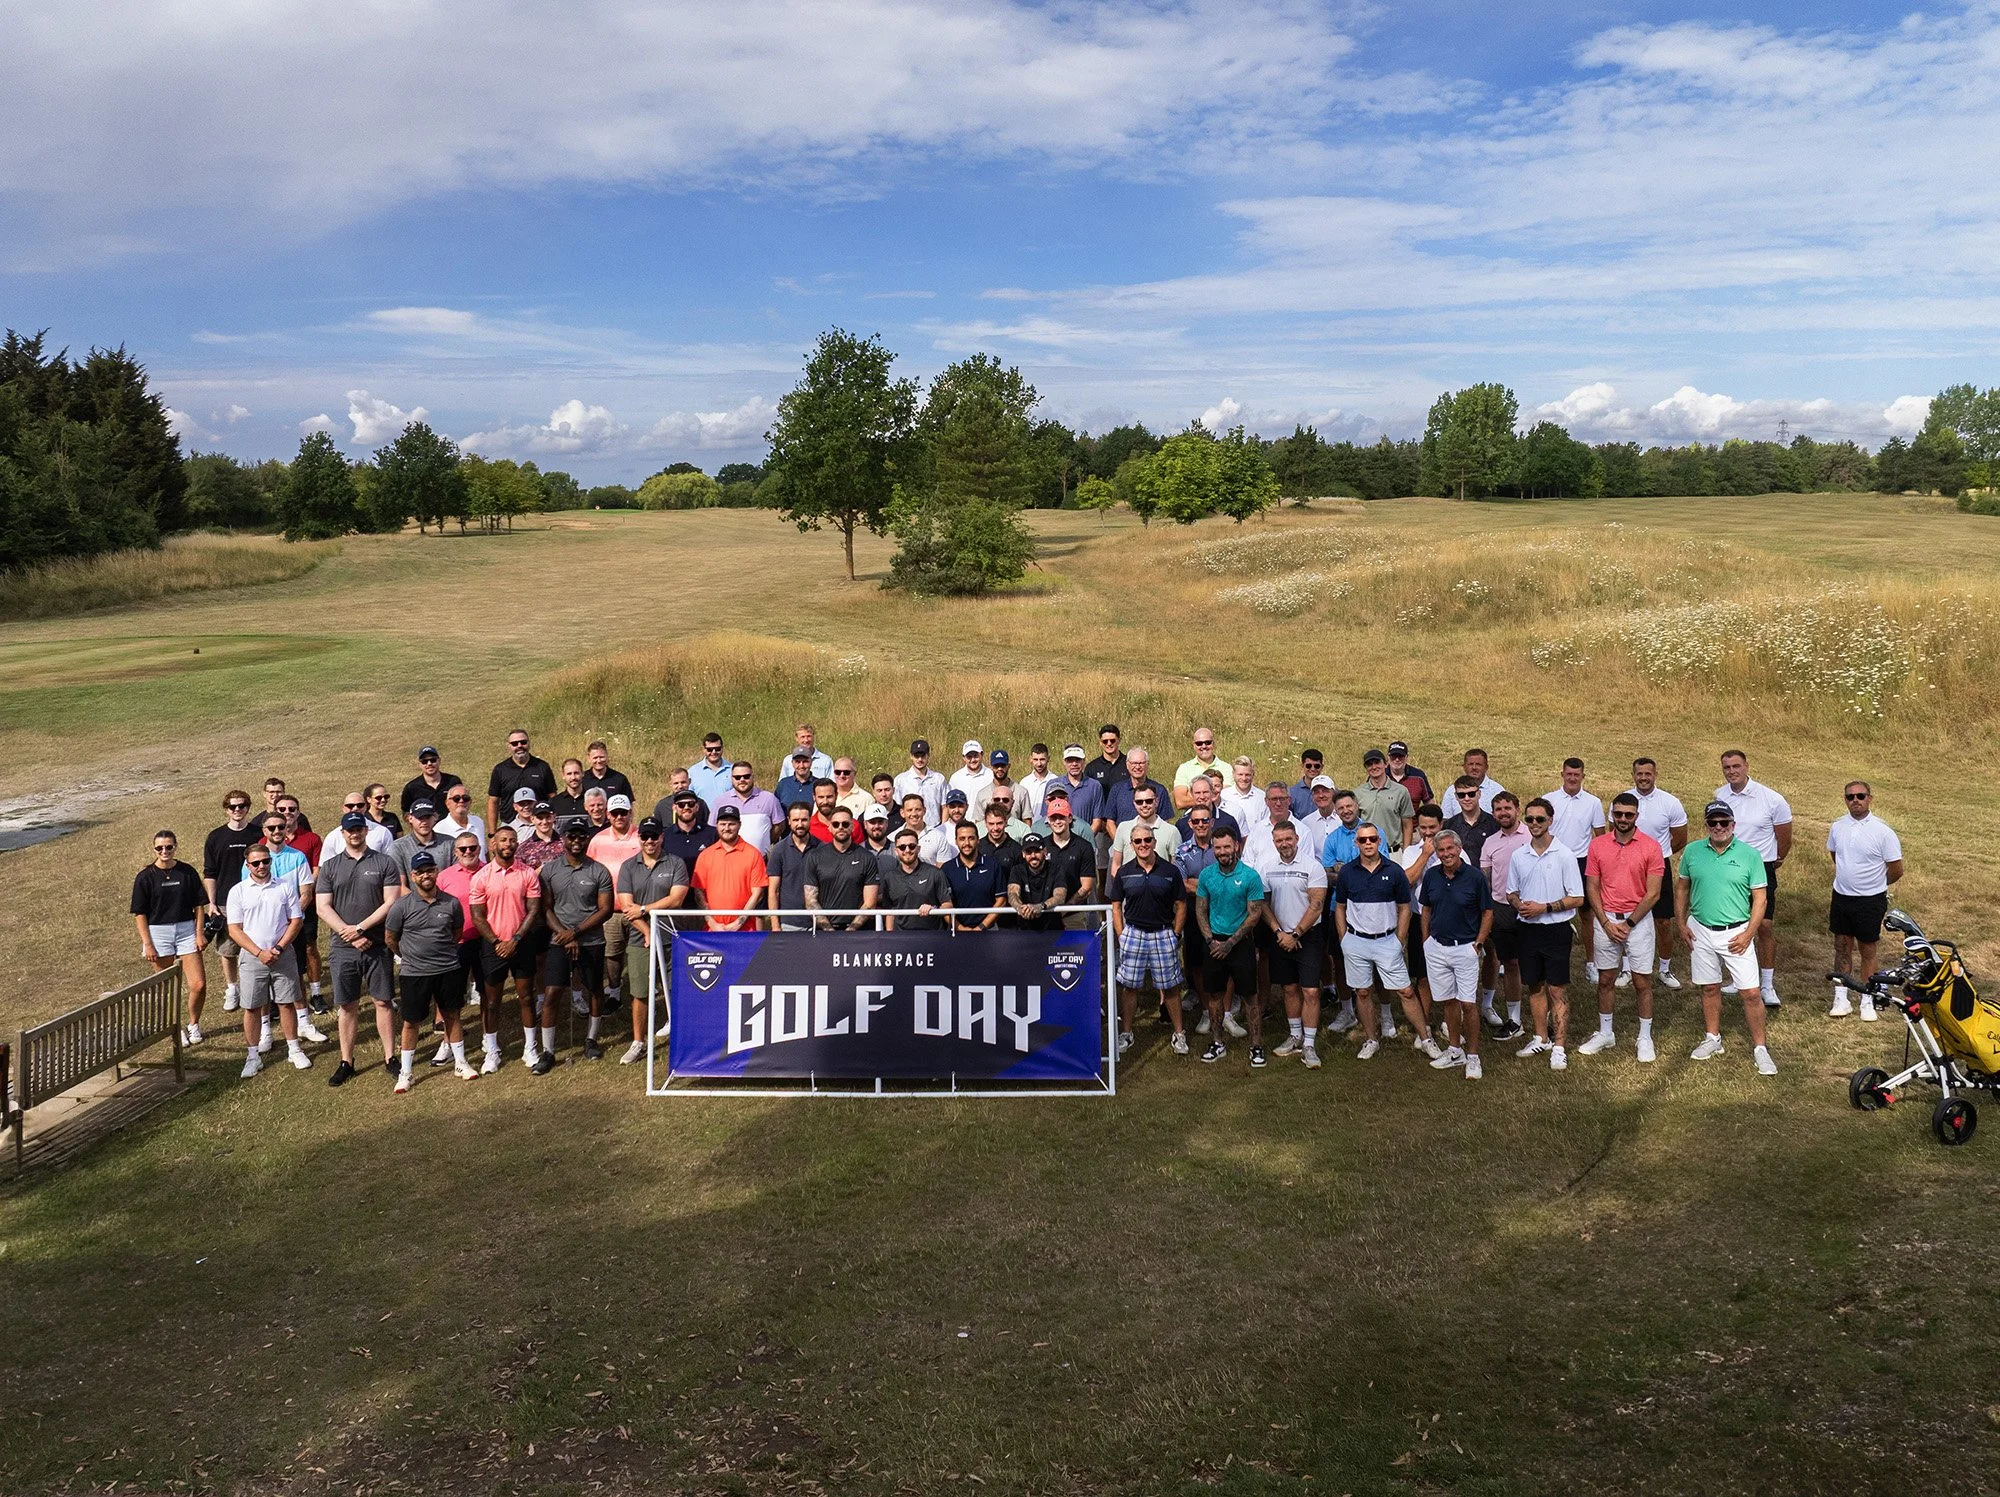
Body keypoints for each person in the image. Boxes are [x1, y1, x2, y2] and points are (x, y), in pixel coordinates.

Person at [1677, 800, 1777, 1074]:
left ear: (1733, 825)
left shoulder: (1750, 855)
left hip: (1736, 932)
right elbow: (1682, 888)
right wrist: (1681, 923)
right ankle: (1712, 1038)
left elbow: (1760, 899)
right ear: (1706, 825)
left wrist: (1749, 933)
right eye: (1713, 823)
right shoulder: (1692, 851)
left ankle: (1760, 1048)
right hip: (1701, 930)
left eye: (1724, 822)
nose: (1719, 827)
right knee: (1709, 987)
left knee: (1751, 993)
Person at [315, 811, 403, 1087]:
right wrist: (350, 935)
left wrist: (361, 928)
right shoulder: (330, 867)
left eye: (359, 829)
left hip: (377, 945)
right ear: (342, 834)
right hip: (343, 948)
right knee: (348, 1004)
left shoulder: (384, 862)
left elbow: (391, 901)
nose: (355, 833)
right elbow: (322, 906)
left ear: (366, 831)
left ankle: (390, 1057)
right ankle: (346, 1061)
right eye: (350, 830)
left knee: (382, 1001)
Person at [1579, 793, 1666, 1063]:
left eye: (1629, 814)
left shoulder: (1651, 847)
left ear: (1636, 816)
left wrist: (1628, 924)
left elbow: (1653, 894)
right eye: (1618, 814)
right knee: (1605, 979)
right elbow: (1592, 887)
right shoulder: (1598, 845)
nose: (1623, 819)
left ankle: (1644, 1036)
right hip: (1605, 919)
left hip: (1637, 921)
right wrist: (1605, 921)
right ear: (1612, 815)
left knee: (1642, 981)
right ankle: (1606, 1033)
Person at [382, 852, 479, 1090]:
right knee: (411, 1022)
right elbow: (391, 938)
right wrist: (410, 956)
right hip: (414, 972)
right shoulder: (401, 906)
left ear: (437, 872)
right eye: (421, 872)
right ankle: (406, 1072)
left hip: (447, 968)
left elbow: (456, 933)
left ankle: (460, 1063)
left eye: (430, 870)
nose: (426, 875)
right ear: (413, 876)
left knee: (452, 1015)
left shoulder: (451, 902)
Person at [1332, 823, 1424, 1061]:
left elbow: (1405, 908)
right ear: (1356, 843)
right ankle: (1371, 1039)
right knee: (1362, 992)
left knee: (1405, 990)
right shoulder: (1347, 872)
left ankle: (1426, 1038)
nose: (1368, 843)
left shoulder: (1393, 871)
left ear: (1379, 841)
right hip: (1356, 941)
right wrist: (1344, 939)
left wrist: (1399, 939)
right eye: (1363, 840)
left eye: (1372, 838)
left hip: (1386, 940)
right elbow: (1340, 907)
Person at [1505, 797, 1585, 1071]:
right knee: (1535, 986)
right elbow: (1510, 891)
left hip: (1556, 929)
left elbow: (1577, 898)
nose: (1535, 824)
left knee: (1557, 989)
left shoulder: (1564, 854)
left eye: (1540, 819)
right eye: (1530, 819)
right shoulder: (1519, 855)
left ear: (1550, 821)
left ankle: (1559, 1046)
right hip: (1527, 929)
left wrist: (1545, 908)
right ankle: (1541, 1037)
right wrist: (1519, 905)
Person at [1714, 749, 1792, 1007]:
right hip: (1728, 870)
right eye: (1727, 767)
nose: (1731, 771)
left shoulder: (1771, 799)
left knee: (1764, 927)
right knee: (1734, 924)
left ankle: (1767, 984)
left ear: (1747, 766)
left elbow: (1784, 838)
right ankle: (1739, 978)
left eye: (1736, 766)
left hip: (1760, 870)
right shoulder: (1720, 796)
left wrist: (1775, 860)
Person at [225, 839, 307, 1078]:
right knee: (251, 1007)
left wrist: (279, 948)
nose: (262, 866)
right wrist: (259, 952)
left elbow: (296, 920)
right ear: (248, 865)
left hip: (282, 954)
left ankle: (294, 1048)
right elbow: (235, 929)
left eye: (266, 861)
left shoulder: (284, 887)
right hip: (252, 958)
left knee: (286, 1002)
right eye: (256, 863)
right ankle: (253, 1056)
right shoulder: (238, 891)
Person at [469, 825, 545, 1072]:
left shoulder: (527, 873)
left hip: (521, 943)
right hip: (493, 946)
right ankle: (492, 1051)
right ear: (493, 844)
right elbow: (478, 916)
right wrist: (496, 942)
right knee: (491, 1001)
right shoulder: (481, 876)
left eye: (512, 840)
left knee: (527, 997)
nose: (508, 844)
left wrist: (515, 939)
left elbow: (533, 909)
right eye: (503, 840)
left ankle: (530, 1048)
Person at [615, 818, 691, 1062]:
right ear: (639, 839)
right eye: (645, 836)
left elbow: (676, 899)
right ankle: (639, 1043)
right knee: (640, 993)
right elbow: (627, 907)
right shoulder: (628, 867)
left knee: (676, 988)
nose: (649, 841)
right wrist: (648, 931)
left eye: (654, 836)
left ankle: (681, 1037)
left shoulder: (675, 863)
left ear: (662, 837)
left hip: (672, 936)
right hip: (640, 939)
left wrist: (645, 909)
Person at [1419, 830, 1493, 1079]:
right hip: (1438, 947)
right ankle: (1454, 1050)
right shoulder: (1431, 876)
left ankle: (1473, 1056)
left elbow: (1487, 913)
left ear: (1459, 849)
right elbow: (1426, 909)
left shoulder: (1475, 878)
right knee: (1448, 1001)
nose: (1446, 854)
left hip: (1466, 948)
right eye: (1441, 850)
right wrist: (1426, 941)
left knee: (1468, 1004)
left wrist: (1479, 943)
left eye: (1450, 849)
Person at [541, 820, 615, 1067]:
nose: (576, 841)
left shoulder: (599, 870)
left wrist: (575, 932)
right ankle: (548, 1051)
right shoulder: (550, 870)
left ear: (587, 839)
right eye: (571, 836)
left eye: (581, 836)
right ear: (563, 838)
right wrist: (564, 933)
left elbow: (605, 910)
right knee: (552, 992)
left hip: (591, 940)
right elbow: (546, 908)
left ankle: (592, 1039)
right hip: (558, 939)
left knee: (594, 989)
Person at [1827, 781, 1903, 1018]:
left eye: (1860, 796)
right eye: (1850, 797)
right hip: (1842, 896)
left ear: (1870, 798)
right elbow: (1835, 855)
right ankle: (1841, 998)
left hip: (1870, 900)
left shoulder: (1883, 831)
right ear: (1845, 800)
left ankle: (1867, 999)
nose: (1855, 800)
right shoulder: (1837, 827)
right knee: (1841, 945)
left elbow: (1896, 869)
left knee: (1867, 948)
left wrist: (1874, 885)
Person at [1110, 826, 1187, 1054]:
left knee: (1170, 987)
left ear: (1154, 842)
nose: (1142, 844)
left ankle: (1179, 1034)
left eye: (1147, 840)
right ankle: (1126, 1033)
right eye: (1137, 841)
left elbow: (1181, 904)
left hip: (1163, 933)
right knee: (1129, 986)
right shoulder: (1124, 872)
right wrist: (1121, 934)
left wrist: (1176, 933)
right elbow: (1116, 906)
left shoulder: (1170, 871)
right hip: (1133, 933)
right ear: (1131, 844)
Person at [1195, 828, 1267, 1065]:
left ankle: (1256, 1046)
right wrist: (1210, 941)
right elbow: (1201, 909)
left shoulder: (1250, 876)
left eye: (1227, 847)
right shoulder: (1207, 875)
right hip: (1213, 942)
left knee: (1249, 997)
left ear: (1236, 846)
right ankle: (1217, 1042)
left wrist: (1231, 943)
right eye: (1218, 847)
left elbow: (1254, 914)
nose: (1223, 852)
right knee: (1213, 995)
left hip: (1241, 943)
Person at [1259, 823, 1328, 1069]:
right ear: (1273, 841)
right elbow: (1264, 904)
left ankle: (1309, 1044)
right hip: (1280, 936)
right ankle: (1295, 1035)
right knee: (1289, 988)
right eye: (1279, 840)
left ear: (1297, 838)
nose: (1284, 844)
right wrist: (1279, 931)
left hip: (1307, 936)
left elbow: (1316, 905)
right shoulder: (1267, 868)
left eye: (1288, 839)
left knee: (1310, 990)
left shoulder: (1313, 866)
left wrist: (1296, 934)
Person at [259, 811, 329, 1052]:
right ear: (264, 831)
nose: (277, 831)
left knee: (295, 974)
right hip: (263, 930)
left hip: (292, 927)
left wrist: (290, 923)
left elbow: (306, 892)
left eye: (280, 827)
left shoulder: (297, 857)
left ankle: (304, 1023)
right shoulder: (256, 857)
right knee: (263, 981)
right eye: (271, 828)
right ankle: (265, 1031)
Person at [133, 830, 211, 1046]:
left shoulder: (186, 872)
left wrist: (199, 933)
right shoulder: (145, 877)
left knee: (198, 984)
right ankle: (175, 1029)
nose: (164, 851)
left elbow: (199, 906)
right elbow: (140, 914)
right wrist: (148, 944)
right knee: (167, 986)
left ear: (176, 846)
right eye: (160, 848)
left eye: (169, 847)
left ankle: (193, 1024)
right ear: (154, 849)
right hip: (158, 932)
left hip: (187, 929)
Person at [1628, 757, 1689, 991]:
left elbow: (1681, 837)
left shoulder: (1669, 802)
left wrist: (1657, 856)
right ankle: (1627, 966)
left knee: (1662, 921)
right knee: (1629, 917)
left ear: (1655, 774)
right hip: (1629, 867)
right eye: (1639, 774)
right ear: (1634, 775)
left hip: (1658, 867)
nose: (1643, 778)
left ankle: (1664, 969)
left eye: (1648, 774)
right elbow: (1616, 832)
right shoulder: (1625, 800)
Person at [1477, 792, 1531, 1039]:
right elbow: (1486, 880)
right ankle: (1514, 1019)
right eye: (1498, 809)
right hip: (1502, 908)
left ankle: (1547, 1022)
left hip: (1533, 908)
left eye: (1507, 808)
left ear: (1517, 809)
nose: (1503, 813)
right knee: (1510, 963)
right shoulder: (1490, 842)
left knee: (1536, 966)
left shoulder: (1532, 836)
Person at [203, 789, 260, 1015]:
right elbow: (210, 872)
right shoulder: (216, 837)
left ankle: (254, 987)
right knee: (227, 949)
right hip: (227, 901)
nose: (237, 810)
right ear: (226, 809)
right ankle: (232, 988)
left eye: (242, 805)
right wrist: (212, 902)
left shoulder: (257, 834)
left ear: (248, 807)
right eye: (233, 806)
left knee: (255, 945)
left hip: (255, 898)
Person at [588, 796, 643, 1021]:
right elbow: (589, 870)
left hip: (638, 907)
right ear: (608, 815)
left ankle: (642, 994)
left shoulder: (643, 835)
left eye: (624, 812)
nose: (619, 817)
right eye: (615, 813)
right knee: (612, 954)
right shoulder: (598, 840)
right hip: (610, 910)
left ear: (631, 812)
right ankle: (615, 993)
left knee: (640, 954)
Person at [434, 832, 484, 1064]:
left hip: (486, 942)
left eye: (472, 848)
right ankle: (448, 1043)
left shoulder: (489, 870)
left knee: (487, 994)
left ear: (479, 848)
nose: (468, 853)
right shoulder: (444, 877)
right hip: (456, 944)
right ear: (455, 852)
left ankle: (488, 1039)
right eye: (462, 849)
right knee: (452, 999)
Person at [803, 809, 881, 929]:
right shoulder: (815, 856)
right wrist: (829, 930)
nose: (840, 827)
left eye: (845, 824)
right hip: (824, 931)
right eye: (836, 824)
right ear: (829, 827)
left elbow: (869, 903)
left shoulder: (867, 857)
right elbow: (811, 901)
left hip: (858, 931)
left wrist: (851, 929)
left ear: (852, 827)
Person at [691, 807, 767, 930]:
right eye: (723, 824)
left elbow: (758, 893)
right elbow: (699, 892)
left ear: (739, 825)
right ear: (716, 825)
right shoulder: (705, 855)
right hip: (713, 930)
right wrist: (712, 923)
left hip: (745, 930)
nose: (727, 828)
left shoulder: (753, 854)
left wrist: (737, 924)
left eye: (732, 824)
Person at [486, 730, 557, 832]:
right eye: (515, 744)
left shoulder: (542, 767)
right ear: (509, 746)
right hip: (509, 824)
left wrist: (552, 822)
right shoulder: (500, 770)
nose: (519, 746)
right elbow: (493, 801)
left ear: (529, 743)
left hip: (539, 824)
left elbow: (552, 797)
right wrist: (492, 833)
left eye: (523, 742)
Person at [1039, 791, 1097, 915]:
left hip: (1074, 913)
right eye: (1054, 818)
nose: (1058, 821)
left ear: (1070, 818)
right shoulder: (1041, 846)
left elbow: (1087, 887)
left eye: (1062, 817)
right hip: (1045, 913)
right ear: (1048, 820)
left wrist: (1066, 908)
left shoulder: (1084, 847)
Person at [880, 829, 952, 930]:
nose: (907, 850)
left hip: (931, 937)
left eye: (912, 846)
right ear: (895, 851)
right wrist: (889, 937)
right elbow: (889, 912)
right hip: (900, 939)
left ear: (918, 848)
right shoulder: (889, 877)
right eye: (902, 847)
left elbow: (948, 904)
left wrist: (934, 909)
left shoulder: (935, 873)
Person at [943, 821, 1008, 931]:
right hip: (957, 932)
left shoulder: (992, 865)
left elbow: (1001, 900)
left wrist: (981, 927)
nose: (967, 843)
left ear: (978, 840)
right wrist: (961, 928)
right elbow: (944, 905)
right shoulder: (947, 869)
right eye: (962, 839)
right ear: (956, 841)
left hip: (989, 930)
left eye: (971, 838)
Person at [766, 802, 819, 931]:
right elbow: (773, 891)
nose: (800, 824)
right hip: (789, 923)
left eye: (804, 820)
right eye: (796, 820)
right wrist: (775, 926)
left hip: (818, 922)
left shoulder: (822, 848)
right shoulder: (779, 850)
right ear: (789, 821)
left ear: (810, 820)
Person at [1244, 782, 1317, 869]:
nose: (1278, 803)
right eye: (1274, 799)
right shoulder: (1256, 830)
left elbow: (1308, 865)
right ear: (1266, 801)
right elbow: (1248, 863)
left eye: (1282, 799)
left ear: (1289, 800)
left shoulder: (1303, 831)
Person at [1354, 748, 1416, 851]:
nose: (1374, 767)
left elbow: (1407, 824)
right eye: (1369, 764)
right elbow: (1355, 825)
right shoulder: (1357, 793)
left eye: (1377, 762)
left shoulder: (1401, 791)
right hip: (1367, 851)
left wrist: (1406, 851)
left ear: (1386, 764)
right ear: (1366, 768)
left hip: (1393, 851)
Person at [715, 762, 783, 856]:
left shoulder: (769, 799)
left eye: (746, 776)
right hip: (729, 860)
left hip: (760, 860)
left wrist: (765, 840)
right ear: (732, 778)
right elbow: (713, 829)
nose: (742, 780)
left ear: (753, 777)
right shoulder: (721, 801)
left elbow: (779, 826)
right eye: (737, 777)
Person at [1007, 833, 1068, 932]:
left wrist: (1041, 906)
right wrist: (1020, 908)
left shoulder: (1056, 869)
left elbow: (1060, 896)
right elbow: (1012, 893)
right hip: (1024, 930)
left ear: (1045, 851)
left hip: (1052, 929)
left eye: (1037, 851)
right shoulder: (1017, 870)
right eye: (1028, 852)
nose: (1033, 856)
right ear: (1023, 854)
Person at [389, 800, 459, 881]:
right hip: (411, 893)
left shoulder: (450, 843)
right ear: (410, 818)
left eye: (428, 817)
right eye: (420, 818)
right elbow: (400, 886)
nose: (424, 822)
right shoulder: (398, 847)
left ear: (435, 818)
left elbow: (456, 878)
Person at [1111, 785, 1181, 864]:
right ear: (1134, 803)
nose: (1144, 805)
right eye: (1139, 802)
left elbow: (1177, 867)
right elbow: (1116, 865)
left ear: (1157, 801)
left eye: (1149, 801)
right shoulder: (1123, 828)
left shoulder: (1171, 831)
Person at [661, 789, 718, 874]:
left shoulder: (712, 834)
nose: (686, 807)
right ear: (674, 808)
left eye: (691, 804)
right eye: (681, 805)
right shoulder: (665, 836)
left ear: (697, 807)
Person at [893, 739, 948, 825]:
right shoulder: (901, 780)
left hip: (934, 828)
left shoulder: (939, 779)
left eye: (923, 756)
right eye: (916, 756)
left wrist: (943, 828)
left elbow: (944, 806)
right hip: (910, 829)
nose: (920, 759)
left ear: (928, 755)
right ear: (911, 756)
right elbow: (898, 807)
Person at [400, 745, 463, 818]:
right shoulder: (411, 788)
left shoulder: (453, 782)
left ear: (439, 761)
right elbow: (406, 812)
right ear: (419, 764)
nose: (429, 763)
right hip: (427, 828)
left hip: (451, 827)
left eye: (433, 760)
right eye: (424, 761)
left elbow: (463, 802)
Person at [1176, 772, 1241, 843]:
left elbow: (1238, 848)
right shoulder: (1182, 824)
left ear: (1212, 792)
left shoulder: (1228, 821)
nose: (1202, 797)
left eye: (1205, 792)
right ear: (1191, 794)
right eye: (1198, 793)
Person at [1173, 728, 1223, 810]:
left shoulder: (1226, 768)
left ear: (1213, 743)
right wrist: (1212, 797)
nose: (1204, 746)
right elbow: (1180, 802)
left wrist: (1193, 795)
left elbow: (1228, 797)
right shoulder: (1184, 768)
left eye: (1208, 742)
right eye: (1199, 743)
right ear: (1194, 745)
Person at [1218, 756, 1267, 838]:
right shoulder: (1223, 795)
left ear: (1253, 775)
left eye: (1247, 775)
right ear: (1233, 774)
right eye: (1240, 774)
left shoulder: (1262, 798)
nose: (1244, 778)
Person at [920, 789, 971, 867]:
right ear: (947, 807)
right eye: (952, 807)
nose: (956, 810)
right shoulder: (938, 831)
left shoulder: (974, 829)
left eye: (960, 806)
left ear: (967, 807)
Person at [950, 740, 997, 823]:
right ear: (963, 758)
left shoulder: (991, 776)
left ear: (981, 754)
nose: (973, 760)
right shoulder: (956, 778)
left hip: (986, 825)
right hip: (962, 824)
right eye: (969, 757)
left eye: (975, 756)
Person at [436, 785, 488, 857]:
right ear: (447, 803)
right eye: (456, 798)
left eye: (465, 798)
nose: (461, 801)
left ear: (470, 802)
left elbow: (484, 852)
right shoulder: (439, 829)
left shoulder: (478, 822)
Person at [687, 733, 733, 812]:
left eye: (717, 749)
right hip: (703, 820)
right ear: (704, 749)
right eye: (709, 749)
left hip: (727, 819)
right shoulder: (692, 772)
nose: (714, 752)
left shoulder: (733, 770)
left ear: (722, 748)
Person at [580, 740, 633, 807]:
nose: (598, 761)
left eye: (601, 757)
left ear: (607, 756)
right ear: (589, 758)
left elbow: (629, 806)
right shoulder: (582, 779)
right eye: (595, 758)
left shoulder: (620, 779)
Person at [516, 802, 565, 871]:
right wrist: (534, 874)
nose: (544, 822)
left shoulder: (566, 844)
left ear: (554, 817)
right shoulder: (523, 848)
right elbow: (519, 875)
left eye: (548, 817)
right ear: (532, 819)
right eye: (540, 818)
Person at [1015, 744, 1055, 826]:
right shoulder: (1025, 782)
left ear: (1048, 759)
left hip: (1050, 827)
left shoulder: (1055, 781)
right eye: (1035, 759)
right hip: (1029, 828)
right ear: (1030, 759)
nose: (1039, 763)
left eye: (1042, 759)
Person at [1386, 741, 1432, 810]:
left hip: (1412, 820)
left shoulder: (1419, 776)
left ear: (1407, 757)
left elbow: (1429, 802)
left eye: (1401, 756)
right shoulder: (1380, 775)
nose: (1397, 759)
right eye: (1394, 756)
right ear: (1388, 757)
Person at [979, 802, 1024, 872]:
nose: (995, 828)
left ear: (1006, 822)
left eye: (999, 823)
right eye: (991, 824)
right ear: (985, 823)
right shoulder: (978, 847)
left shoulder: (1016, 849)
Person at [1459, 748, 1506, 813]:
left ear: (1486, 767)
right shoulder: (1452, 791)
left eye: (1478, 764)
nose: (1474, 767)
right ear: (1464, 767)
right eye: (1471, 764)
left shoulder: (1497, 791)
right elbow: (1446, 820)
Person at [1085, 724, 1126, 795]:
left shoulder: (1130, 763)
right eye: (1105, 741)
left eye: (1112, 740)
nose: (1109, 744)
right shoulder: (1092, 768)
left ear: (1119, 741)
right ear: (1100, 743)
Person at [549, 758, 590, 823]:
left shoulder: (591, 800)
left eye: (576, 773)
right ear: (563, 775)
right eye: (569, 774)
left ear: (582, 773)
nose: (573, 777)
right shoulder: (554, 802)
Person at [1288, 749, 1325, 820]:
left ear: (1322, 767)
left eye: (1317, 766)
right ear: (1302, 765)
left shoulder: (1331, 792)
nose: (1313, 769)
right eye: (1308, 766)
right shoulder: (1292, 793)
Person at [861, 803, 895, 872]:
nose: (876, 826)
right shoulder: (858, 851)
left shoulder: (898, 850)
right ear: (865, 824)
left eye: (880, 822)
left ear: (887, 823)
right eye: (872, 822)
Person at [807, 777, 840, 842]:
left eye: (829, 797)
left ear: (836, 796)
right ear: (814, 797)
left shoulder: (850, 825)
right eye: (821, 797)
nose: (825, 801)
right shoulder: (807, 827)